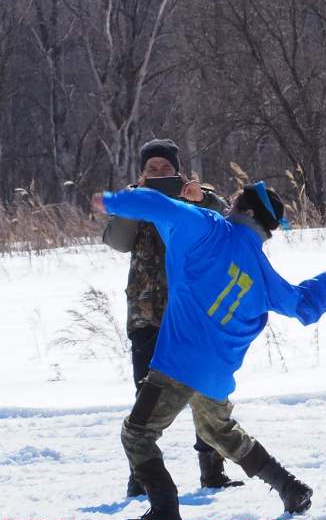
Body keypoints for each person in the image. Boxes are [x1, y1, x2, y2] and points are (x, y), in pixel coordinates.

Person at [93, 181, 326, 520]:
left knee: (137, 435)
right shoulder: (263, 272)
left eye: (233, 202)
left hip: (177, 364)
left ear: (246, 211)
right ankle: (290, 487)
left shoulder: (210, 227)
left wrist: (114, 201)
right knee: (219, 432)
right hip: (216, 375)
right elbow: (305, 304)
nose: (227, 206)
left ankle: (164, 509)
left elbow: (160, 205)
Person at [103, 139, 243, 497]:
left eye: (166, 169)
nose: (159, 174)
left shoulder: (197, 196)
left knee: (205, 390)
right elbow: (118, 242)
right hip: (148, 313)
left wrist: (200, 199)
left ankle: (212, 470)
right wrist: (136, 202)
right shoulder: (133, 201)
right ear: (141, 172)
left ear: (178, 171)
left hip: (195, 313)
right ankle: (142, 475)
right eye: (152, 169)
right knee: (146, 395)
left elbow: (230, 224)